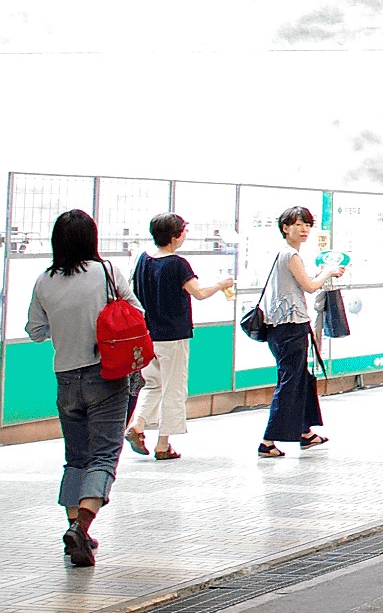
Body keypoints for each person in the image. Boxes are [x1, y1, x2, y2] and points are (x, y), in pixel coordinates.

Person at [26, 210, 145, 566]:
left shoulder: (44, 281)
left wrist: (62, 329)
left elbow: (35, 330)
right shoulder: (106, 272)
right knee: (105, 454)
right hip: (104, 374)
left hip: (65, 378)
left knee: (75, 456)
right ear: (91, 239)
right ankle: (82, 526)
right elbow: (136, 314)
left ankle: (77, 530)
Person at [127, 213, 235, 461]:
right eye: (183, 231)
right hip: (173, 336)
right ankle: (163, 444)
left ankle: (138, 424)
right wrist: (221, 285)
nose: (185, 234)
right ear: (175, 236)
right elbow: (198, 293)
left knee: (153, 384)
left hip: (147, 335)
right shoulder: (177, 264)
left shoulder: (143, 260)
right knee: (174, 388)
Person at [256, 206, 345, 458]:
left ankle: (305, 433)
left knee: (302, 378)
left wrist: (324, 273)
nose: (304, 229)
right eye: (298, 224)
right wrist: (328, 271)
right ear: (285, 228)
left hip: (282, 327)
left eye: (307, 224)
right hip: (289, 327)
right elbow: (308, 286)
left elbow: (300, 282)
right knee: (289, 381)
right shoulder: (290, 255)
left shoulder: (282, 254)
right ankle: (268, 441)